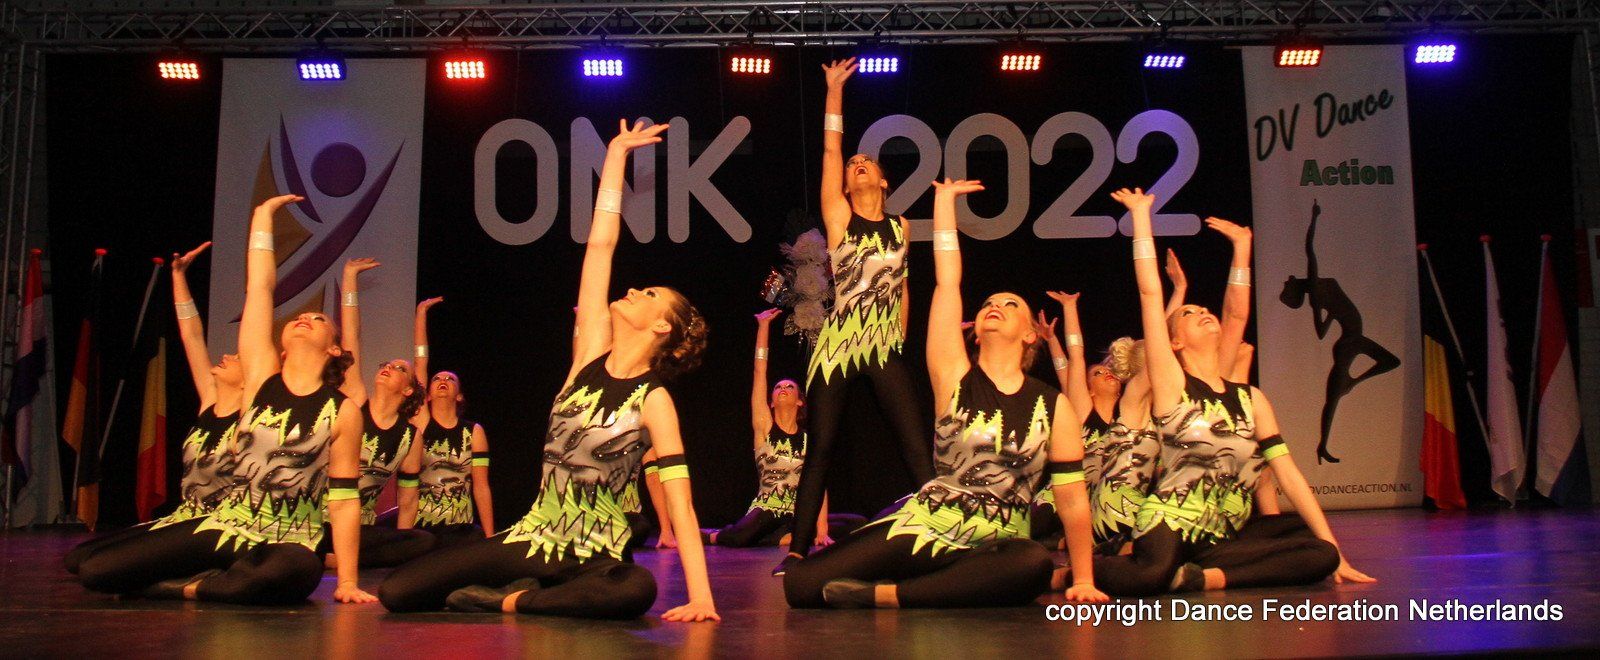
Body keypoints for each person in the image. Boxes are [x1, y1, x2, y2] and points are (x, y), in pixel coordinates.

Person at [378, 120, 720, 621]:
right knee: (398, 591)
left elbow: (681, 504)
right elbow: (600, 248)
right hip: (535, 536)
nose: (634, 290)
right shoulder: (589, 356)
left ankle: (515, 600)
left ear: (662, 327)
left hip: (595, 553)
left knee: (636, 588)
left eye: (650, 294)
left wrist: (701, 596)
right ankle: (525, 589)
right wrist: (615, 158)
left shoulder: (654, 401)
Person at [784, 179, 1109, 609]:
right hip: (930, 522)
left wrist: (1083, 579)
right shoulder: (953, 374)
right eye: (989, 303)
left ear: (1031, 334)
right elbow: (948, 283)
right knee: (801, 585)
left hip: (998, 540)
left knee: (1032, 562)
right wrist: (943, 204)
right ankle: (931, 584)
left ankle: (889, 595)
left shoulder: (1054, 406)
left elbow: (1072, 500)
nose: (995, 306)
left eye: (1010, 304)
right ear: (975, 329)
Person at [77, 194, 374, 605]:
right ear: (281, 345)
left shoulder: (341, 410)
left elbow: (343, 500)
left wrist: (347, 581)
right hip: (228, 525)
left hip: (289, 540)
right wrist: (262, 217)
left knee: (295, 571)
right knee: (95, 570)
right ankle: (210, 584)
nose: (304, 318)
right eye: (299, 317)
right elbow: (261, 288)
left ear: (334, 349)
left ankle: (189, 587)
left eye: (318, 318)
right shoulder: (260, 377)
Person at [1090, 187, 1374, 596]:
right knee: (1149, 576)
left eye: (1205, 310)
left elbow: (1289, 475)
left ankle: (1205, 578)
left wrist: (1243, 247)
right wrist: (1140, 217)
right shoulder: (1172, 385)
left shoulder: (1251, 399)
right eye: (1190, 313)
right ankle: (1083, 569)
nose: (1204, 312)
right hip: (1169, 523)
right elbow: (1150, 295)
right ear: (1173, 342)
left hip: (1219, 534)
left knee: (1321, 553)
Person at [779, 57, 934, 575]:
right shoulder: (840, 217)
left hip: (883, 343)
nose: (858, 164)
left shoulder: (902, 227)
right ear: (845, 185)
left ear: (884, 182)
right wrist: (833, 92)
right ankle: (798, 550)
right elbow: (830, 150)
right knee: (820, 446)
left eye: (867, 162)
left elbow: (903, 286)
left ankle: (943, 533)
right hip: (838, 345)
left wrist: (900, 340)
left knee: (913, 440)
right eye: (853, 165)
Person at [63, 243, 241, 574]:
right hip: (185, 516)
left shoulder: (253, 417)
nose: (227, 356)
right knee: (78, 558)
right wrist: (178, 277)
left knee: (99, 568)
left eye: (238, 358)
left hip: (218, 525)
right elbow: (192, 336)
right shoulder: (211, 398)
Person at [706, 309, 864, 548]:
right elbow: (760, 371)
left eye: (789, 387)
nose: (782, 389)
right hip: (768, 509)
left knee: (856, 523)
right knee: (741, 536)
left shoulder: (810, 440)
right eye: (778, 387)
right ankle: (715, 535)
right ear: (771, 401)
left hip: (800, 512)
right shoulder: (764, 426)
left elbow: (818, 484)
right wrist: (763, 326)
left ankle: (787, 536)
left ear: (800, 401)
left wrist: (822, 529)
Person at [326, 257, 435, 567]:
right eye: (386, 364)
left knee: (420, 540)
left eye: (399, 368)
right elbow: (351, 337)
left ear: (408, 389)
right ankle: (334, 556)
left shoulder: (410, 437)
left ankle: (340, 558)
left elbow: (408, 499)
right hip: (322, 520)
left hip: (361, 529)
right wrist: (349, 279)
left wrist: (403, 547)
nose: (388, 367)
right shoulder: (355, 401)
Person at [408, 297, 494, 541]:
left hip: (460, 528)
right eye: (437, 379)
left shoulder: (473, 432)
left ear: (459, 395)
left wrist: (490, 538)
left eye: (450, 379)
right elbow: (420, 362)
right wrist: (421, 313)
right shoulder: (422, 422)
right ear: (427, 394)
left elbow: (481, 487)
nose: (443, 381)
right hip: (422, 527)